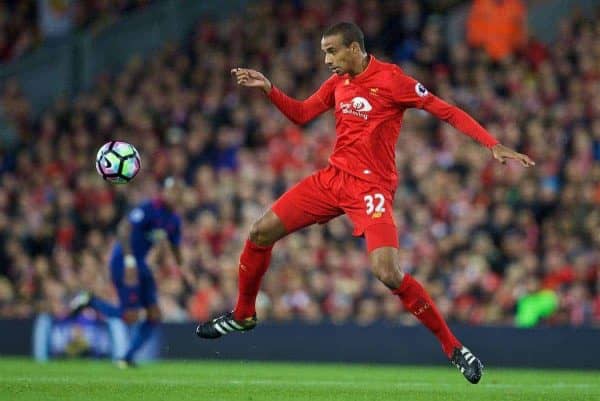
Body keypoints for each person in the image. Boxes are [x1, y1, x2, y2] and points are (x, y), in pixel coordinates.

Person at [195, 22, 535, 384]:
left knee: (387, 272)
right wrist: (269, 89)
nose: (327, 59)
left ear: (354, 48)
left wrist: (491, 144)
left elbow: (445, 110)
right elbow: (302, 114)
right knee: (260, 232)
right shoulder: (337, 83)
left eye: (332, 51)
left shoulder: (393, 80)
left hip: (371, 190)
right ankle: (244, 313)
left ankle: (453, 347)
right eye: (325, 51)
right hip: (332, 180)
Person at [70, 177, 183, 367]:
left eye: (177, 192)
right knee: (129, 316)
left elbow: (174, 246)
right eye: (171, 191)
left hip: (142, 265)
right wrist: (129, 261)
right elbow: (123, 229)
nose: (174, 195)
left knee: (154, 315)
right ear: (163, 192)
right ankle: (90, 300)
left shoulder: (173, 219)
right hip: (123, 261)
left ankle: (127, 357)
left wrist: (181, 266)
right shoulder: (148, 208)